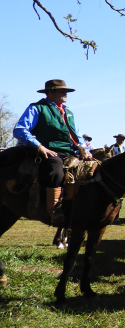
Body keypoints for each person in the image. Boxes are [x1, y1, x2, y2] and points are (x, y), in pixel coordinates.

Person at [13, 79, 92, 225]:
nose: (66, 94)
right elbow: (20, 130)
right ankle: (54, 211)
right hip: (47, 152)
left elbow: (76, 134)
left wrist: (83, 149)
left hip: (69, 151)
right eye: (62, 91)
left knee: (92, 170)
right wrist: (39, 146)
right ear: (51, 92)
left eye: (66, 91)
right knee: (56, 169)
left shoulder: (68, 112)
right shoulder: (37, 108)